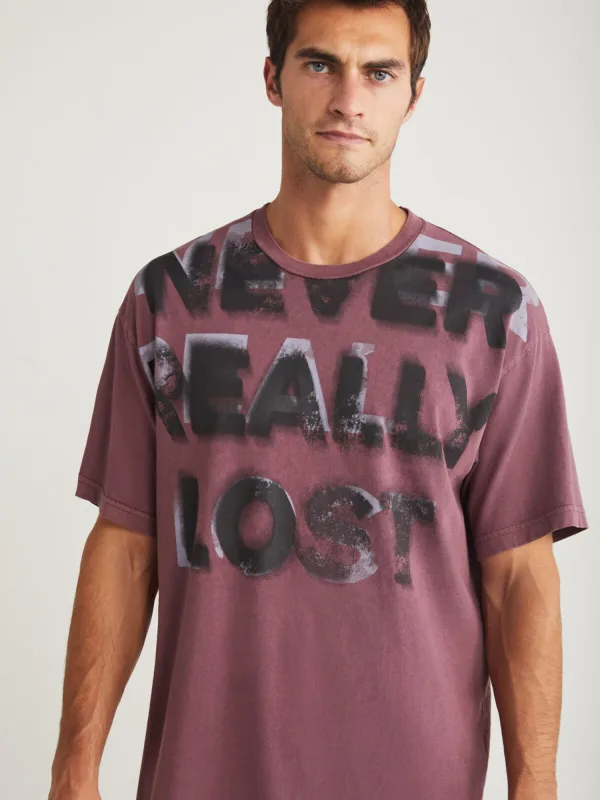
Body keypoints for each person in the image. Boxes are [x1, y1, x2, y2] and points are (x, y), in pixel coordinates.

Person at [49, 1, 589, 799]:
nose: (349, 99)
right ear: (273, 78)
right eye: (319, 64)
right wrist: (73, 770)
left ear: (414, 93)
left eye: (380, 72)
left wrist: (536, 785)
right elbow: (126, 547)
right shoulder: (171, 299)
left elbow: (519, 576)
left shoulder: (494, 313)